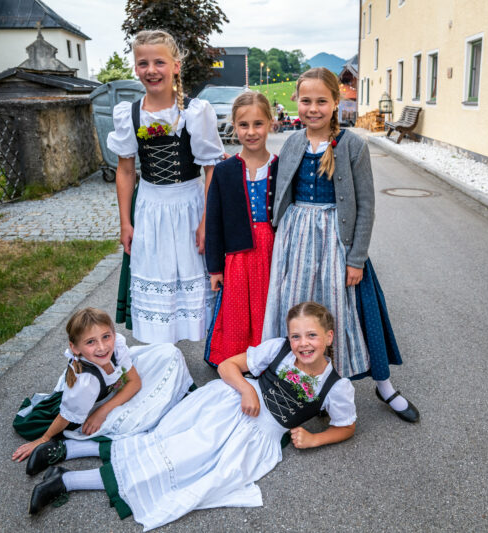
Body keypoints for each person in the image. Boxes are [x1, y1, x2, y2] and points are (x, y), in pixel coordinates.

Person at [27, 302, 356, 529]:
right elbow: (228, 366)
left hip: (256, 435)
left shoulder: (337, 387)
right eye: (296, 336)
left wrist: (315, 438)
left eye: (312, 335)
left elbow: (347, 426)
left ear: (328, 337)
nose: (302, 343)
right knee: (163, 440)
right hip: (228, 404)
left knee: (188, 467)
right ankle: (66, 450)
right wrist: (246, 389)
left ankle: (65, 480)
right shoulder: (278, 348)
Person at [263, 67, 419, 423]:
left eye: (321, 101)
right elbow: (279, 192)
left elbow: (365, 205)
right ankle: (300, 384)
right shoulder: (292, 142)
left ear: (336, 102)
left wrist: (357, 258)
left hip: (336, 240)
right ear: (297, 102)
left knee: (350, 313)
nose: (312, 108)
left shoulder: (352, 145)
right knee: (296, 310)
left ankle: (383, 386)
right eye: (306, 101)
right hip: (296, 240)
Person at [108, 29, 224, 344]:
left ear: (175, 66)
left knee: (190, 272)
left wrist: (206, 221)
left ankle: (204, 348)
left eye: (159, 62)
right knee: (156, 271)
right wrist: (125, 222)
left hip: (189, 204)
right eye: (143, 63)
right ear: (135, 68)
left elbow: (211, 168)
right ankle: (161, 351)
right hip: (150, 206)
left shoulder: (194, 112)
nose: (151, 70)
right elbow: (125, 170)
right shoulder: (130, 114)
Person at [11, 307, 192, 474]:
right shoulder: (85, 383)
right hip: (83, 409)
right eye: (91, 342)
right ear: (75, 348)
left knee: (169, 353)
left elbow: (135, 382)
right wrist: (44, 439)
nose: (102, 347)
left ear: (113, 333)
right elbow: (65, 417)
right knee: (135, 421)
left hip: (104, 399)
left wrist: (103, 411)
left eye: (106, 336)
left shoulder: (116, 346)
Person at [204, 92, 278, 366]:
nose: (251, 132)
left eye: (258, 124)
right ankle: (236, 361)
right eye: (244, 125)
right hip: (238, 256)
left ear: (270, 123)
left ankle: (267, 358)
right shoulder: (224, 170)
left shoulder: (281, 166)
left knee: (267, 307)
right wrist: (215, 268)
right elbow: (213, 221)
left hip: (273, 254)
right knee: (237, 309)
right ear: (234, 126)